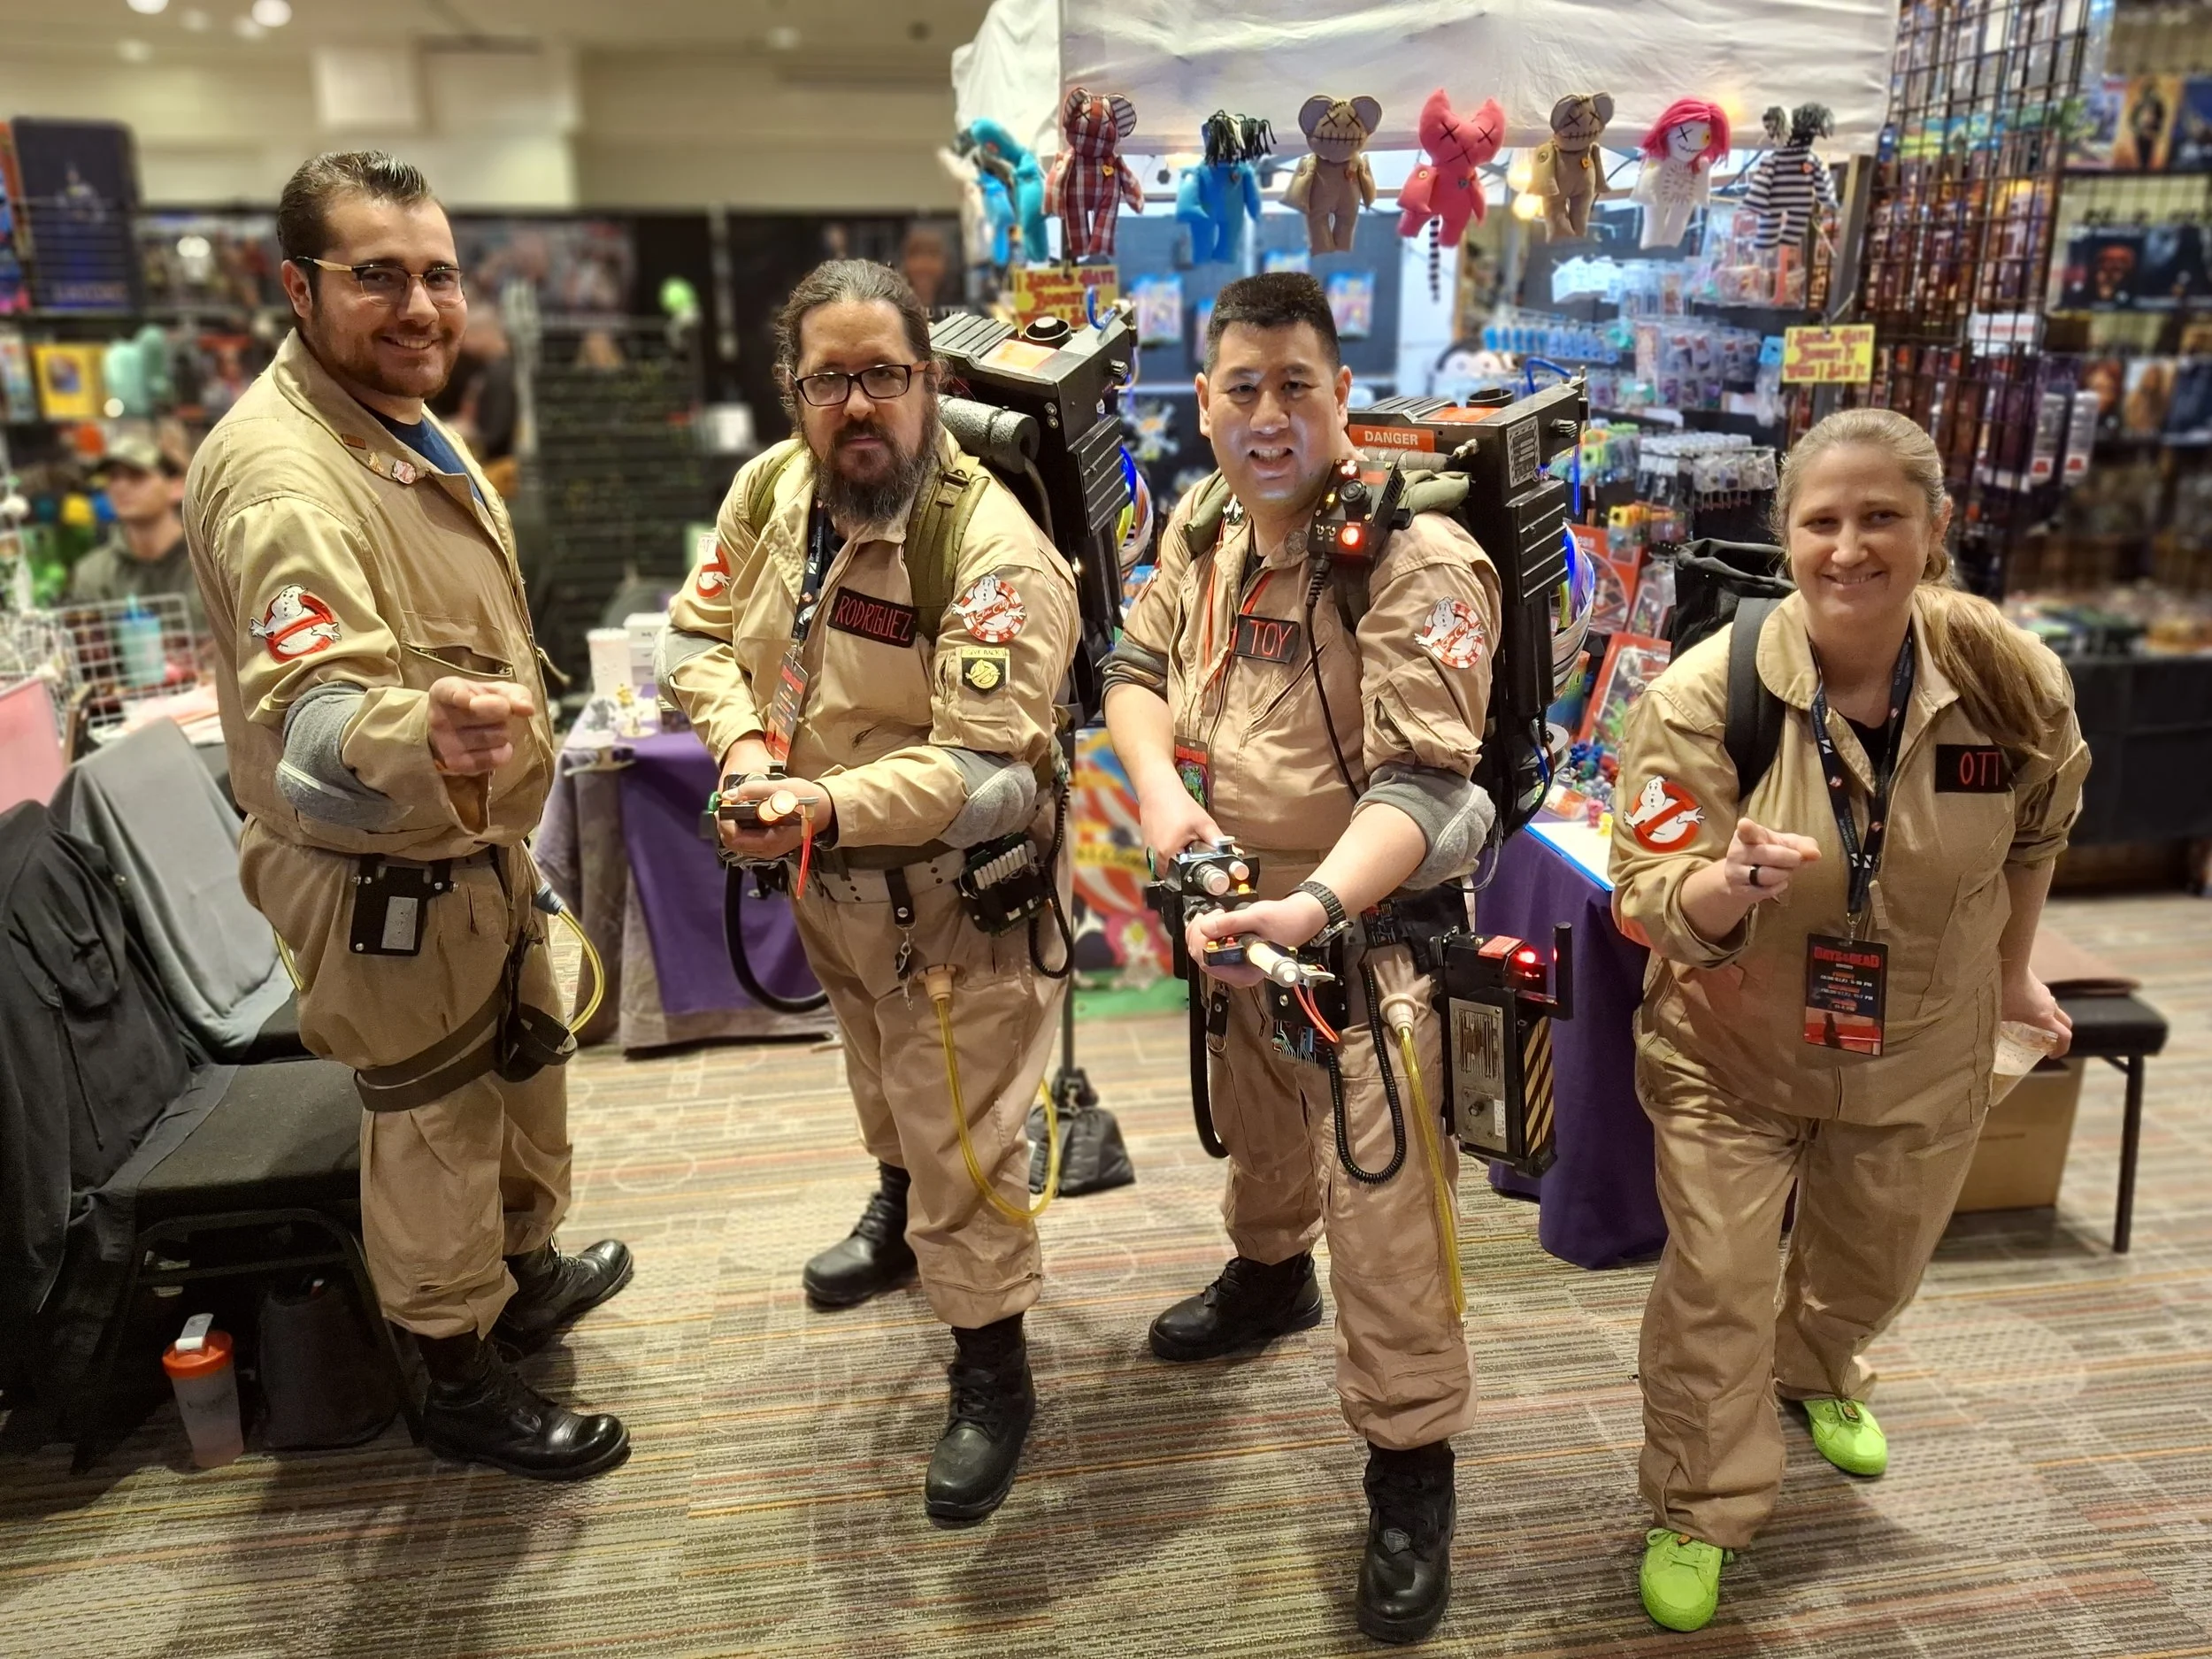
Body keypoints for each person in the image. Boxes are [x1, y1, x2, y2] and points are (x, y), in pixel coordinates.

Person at [184, 151, 633, 1481]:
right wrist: (412, 728)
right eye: (376, 275)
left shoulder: (394, 420)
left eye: (436, 273)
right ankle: (453, 1371)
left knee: (524, 1077)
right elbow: (316, 705)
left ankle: (522, 1275)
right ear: (299, 288)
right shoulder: (283, 478)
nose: (419, 304)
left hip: (470, 848)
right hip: (382, 870)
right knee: (434, 1120)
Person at [1609, 406, 2089, 1632]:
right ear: (1787, 538)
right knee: (1716, 1280)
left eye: (1882, 516)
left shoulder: (2007, 677)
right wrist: (1730, 882)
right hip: (1733, 1046)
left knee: (1875, 1256)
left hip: (1925, 1042)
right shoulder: (1703, 697)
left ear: (1935, 527)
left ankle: (1820, 1365)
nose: (1850, 546)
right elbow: (1647, 893)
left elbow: (2038, 829)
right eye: (1823, 520)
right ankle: (1700, 1502)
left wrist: (2021, 969)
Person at [1101, 273, 1502, 1645]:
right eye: (1240, 388)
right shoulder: (1207, 527)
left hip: (1370, 932)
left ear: (1342, 396)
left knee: (1385, 1206)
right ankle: (1270, 1272)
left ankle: (1408, 1463)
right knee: (1262, 1131)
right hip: (1234, 907)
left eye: (1295, 386)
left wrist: (1316, 905)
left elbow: (1430, 789)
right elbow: (1133, 665)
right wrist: (1161, 797)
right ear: (1205, 404)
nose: (1267, 414)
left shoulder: (1415, 558)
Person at [657, 259, 1077, 1524]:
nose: (858, 406)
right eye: (830, 378)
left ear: (930, 384)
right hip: (823, 877)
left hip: (952, 894)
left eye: (883, 376)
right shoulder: (771, 490)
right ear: (793, 391)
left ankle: (993, 1364)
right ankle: (897, 1211)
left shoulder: (988, 543)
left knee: (967, 1130)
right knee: (876, 1072)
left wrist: (827, 804)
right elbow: (695, 636)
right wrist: (741, 750)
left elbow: (989, 767)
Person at [69, 434, 207, 638]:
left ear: (176, 487)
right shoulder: (94, 573)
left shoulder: (208, 560)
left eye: (137, 475)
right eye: (113, 477)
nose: (120, 486)